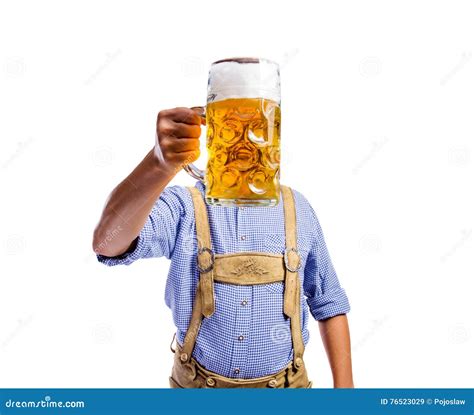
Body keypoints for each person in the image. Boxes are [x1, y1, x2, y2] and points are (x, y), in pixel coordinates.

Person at [93, 107, 354, 388]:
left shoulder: (298, 208)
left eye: (256, 130)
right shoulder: (185, 207)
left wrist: (345, 393)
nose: (245, 143)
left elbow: (328, 302)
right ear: (214, 133)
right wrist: (158, 164)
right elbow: (108, 244)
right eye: (233, 129)